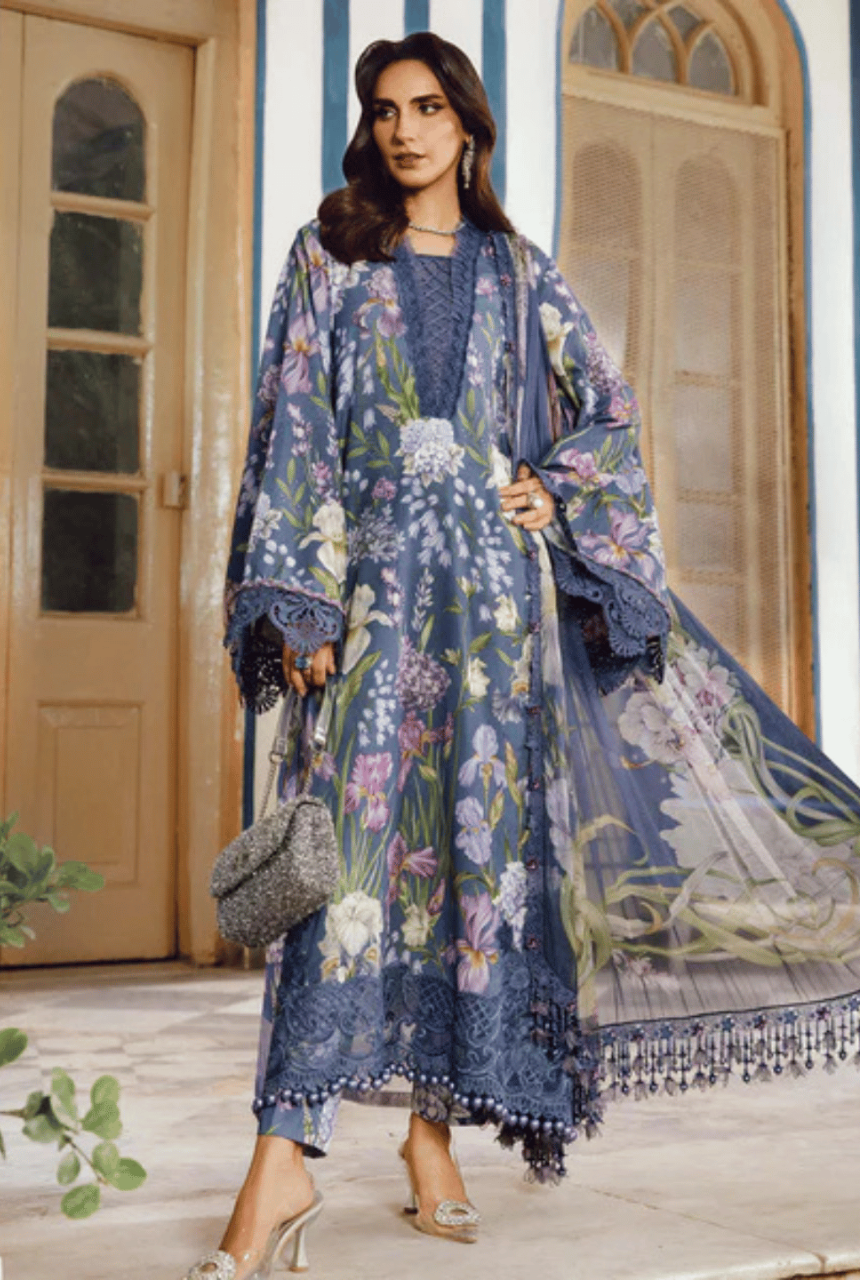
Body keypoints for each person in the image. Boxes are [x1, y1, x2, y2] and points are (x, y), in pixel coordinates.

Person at [183, 30, 860, 1280]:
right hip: (377, 601)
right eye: (385, 109)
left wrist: (552, 489)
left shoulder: (518, 270)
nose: (406, 130)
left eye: (429, 106)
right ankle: (281, 1159)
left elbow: (609, 410)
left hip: (498, 623)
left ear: (470, 125)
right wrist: (303, 608)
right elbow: (294, 431)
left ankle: (430, 1142)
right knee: (345, 875)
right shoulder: (329, 256)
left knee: (473, 871)